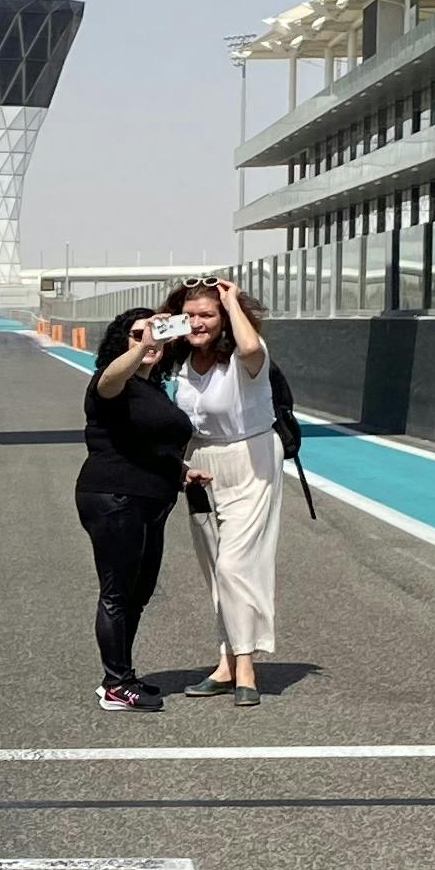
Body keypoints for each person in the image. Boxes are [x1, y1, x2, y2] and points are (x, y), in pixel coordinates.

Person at [163, 276, 282, 706]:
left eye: (207, 315)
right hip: (200, 465)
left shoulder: (246, 357)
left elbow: (249, 347)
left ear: (224, 318)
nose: (197, 323)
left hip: (250, 460)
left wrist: (231, 301)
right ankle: (226, 662)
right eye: (189, 316)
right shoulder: (177, 362)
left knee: (235, 566)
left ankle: (245, 666)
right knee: (216, 568)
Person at [78, 298, 199, 710]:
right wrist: (142, 345)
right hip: (114, 496)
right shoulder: (112, 382)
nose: (150, 340)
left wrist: (182, 472)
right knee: (117, 592)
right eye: (137, 333)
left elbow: (152, 444)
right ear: (121, 342)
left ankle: (122, 676)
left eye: (157, 334)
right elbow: (108, 381)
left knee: (138, 594)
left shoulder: (153, 391)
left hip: (151, 500)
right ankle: (115, 684)